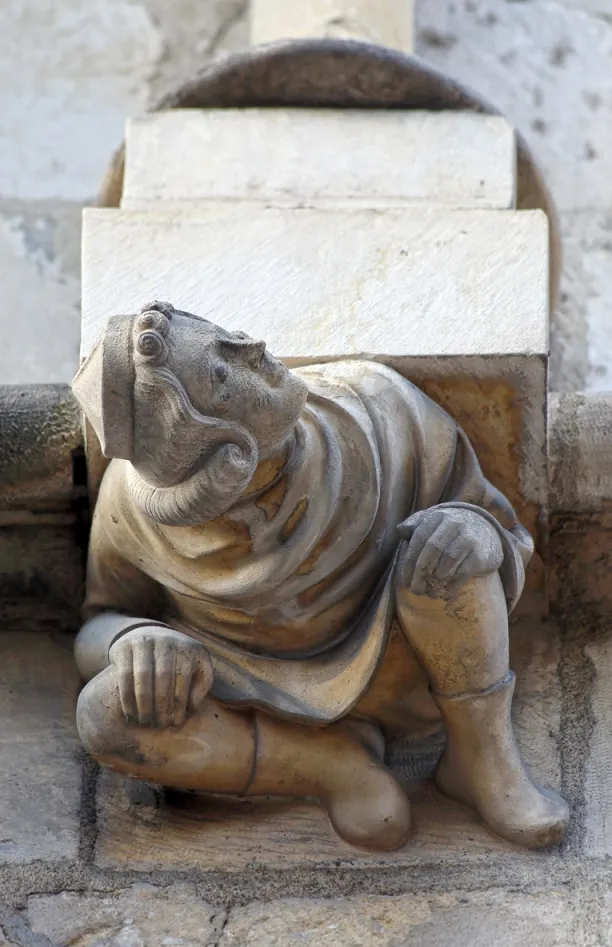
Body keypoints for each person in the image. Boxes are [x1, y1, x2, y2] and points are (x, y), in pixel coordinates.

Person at [72, 301, 569, 852]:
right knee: (105, 714)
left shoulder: (376, 404)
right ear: (225, 455)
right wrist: (133, 640)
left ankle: (482, 756)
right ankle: (327, 766)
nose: (254, 349)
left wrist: (473, 531)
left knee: (453, 550)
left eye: (226, 337)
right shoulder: (131, 509)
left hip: (406, 656)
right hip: (246, 694)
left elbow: (504, 532)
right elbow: (99, 621)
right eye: (222, 372)